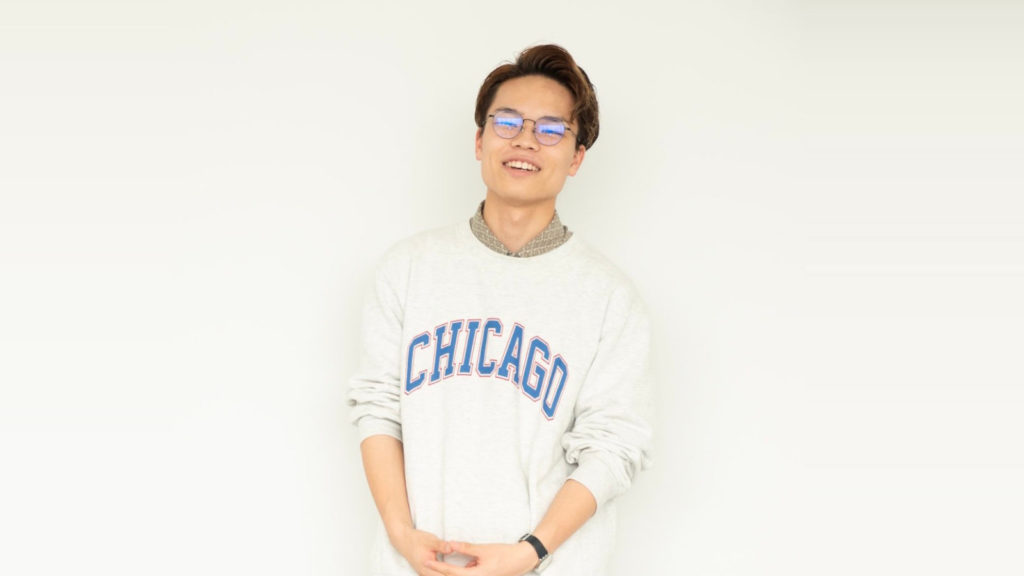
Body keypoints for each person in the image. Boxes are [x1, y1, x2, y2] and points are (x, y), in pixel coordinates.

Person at [348, 44, 652, 576]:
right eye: (507, 122)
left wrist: (529, 552)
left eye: (551, 129)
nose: (525, 140)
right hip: (415, 565)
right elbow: (377, 408)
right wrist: (402, 536)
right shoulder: (409, 269)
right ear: (479, 140)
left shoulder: (610, 298)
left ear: (576, 157)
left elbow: (612, 448)